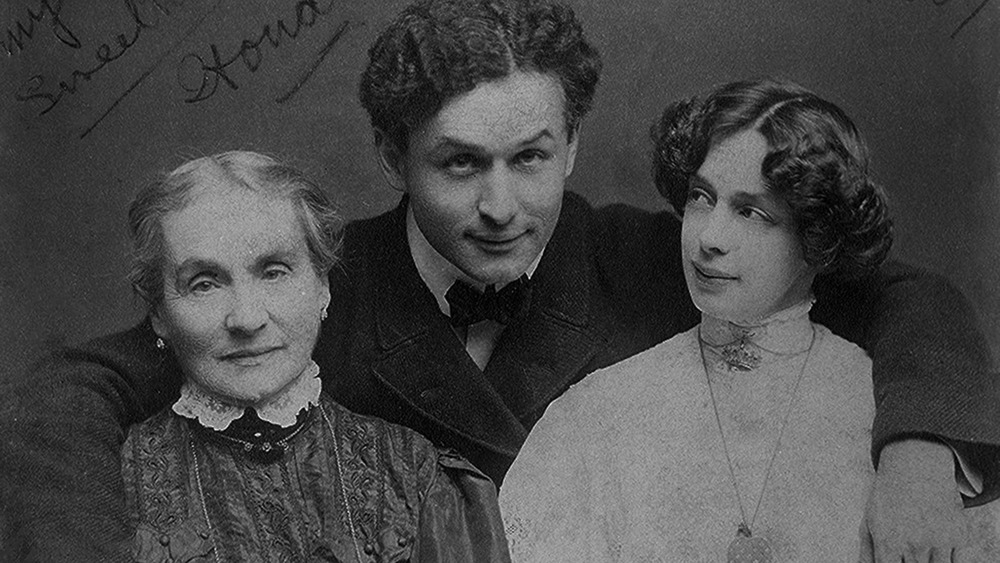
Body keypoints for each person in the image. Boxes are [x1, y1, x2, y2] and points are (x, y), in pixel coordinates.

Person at [0, 1, 997, 560]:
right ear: (393, 154)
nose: (500, 206)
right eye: (459, 164)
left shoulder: (670, 255)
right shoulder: (302, 290)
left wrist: (918, 444)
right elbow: (74, 389)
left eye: (530, 155)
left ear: (573, 142)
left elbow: (902, 293)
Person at [498, 79, 999, 562]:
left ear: (817, 239)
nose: (709, 237)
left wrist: (918, 456)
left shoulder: (893, 424)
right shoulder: (595, 417)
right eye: (701, 197)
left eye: (752, 213)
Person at [117, 151, 510, 562]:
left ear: (322, 286)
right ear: (159, 312)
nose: (247, 319)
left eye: (274, 272)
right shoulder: (111, 483)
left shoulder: (414, 472)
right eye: (203, 284)